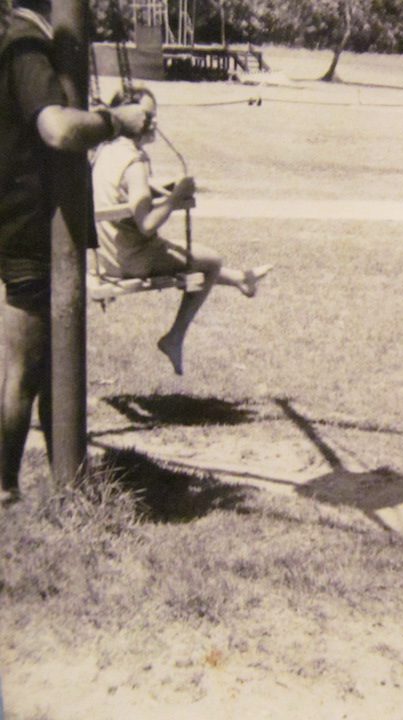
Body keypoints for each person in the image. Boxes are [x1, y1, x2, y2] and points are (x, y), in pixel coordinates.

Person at [0, 0, 151, 504]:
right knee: (25, 366)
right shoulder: (25, 44)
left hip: (35, 221)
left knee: (40, 366)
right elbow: (58, 129)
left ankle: (63, 477)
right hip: (29, 227)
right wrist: (116, 122)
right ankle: (4, 487)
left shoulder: (27, 38)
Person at [91, 86, 272, 377]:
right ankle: (174, 338)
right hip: (134, 260)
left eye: (154, 116)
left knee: (196, 258)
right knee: (211, 260)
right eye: (147, 116)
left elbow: (125, 191)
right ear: (127, 117)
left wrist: (163, 186)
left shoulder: (107, 150)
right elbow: (147, 224)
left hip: (107, 256)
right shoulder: (135, 162)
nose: (153, 123)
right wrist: (177, 198)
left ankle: (242, 279)